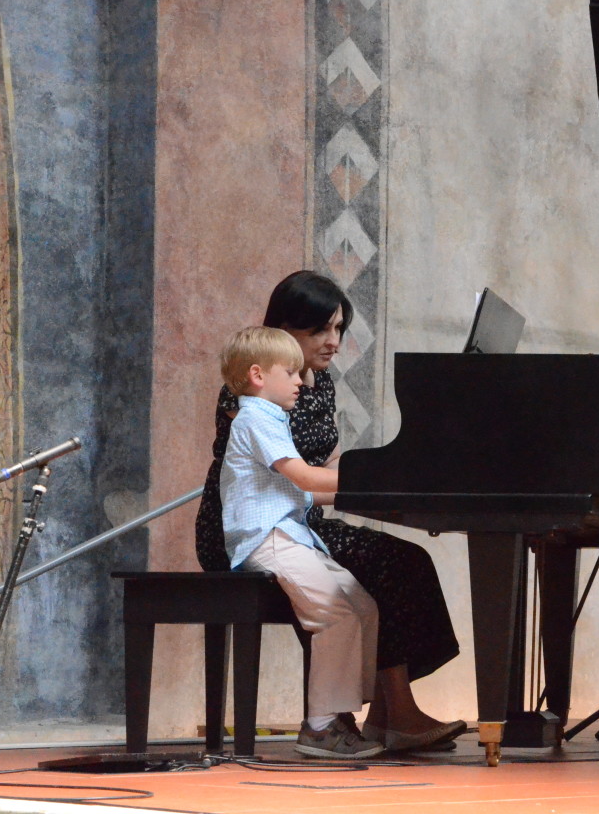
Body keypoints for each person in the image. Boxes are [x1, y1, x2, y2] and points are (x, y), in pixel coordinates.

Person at [196, 271, 463, 752]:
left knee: (404, 563)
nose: (334, 341)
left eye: (339, 328)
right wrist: (379, 482)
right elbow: (298, 476)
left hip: (297, 518)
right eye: (321, 329)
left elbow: (329, 461)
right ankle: (347, 719)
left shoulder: (313, 384)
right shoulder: (253, 395)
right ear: (284, 329)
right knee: (380, 567)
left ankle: (385, 713)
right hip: (247, 527)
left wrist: (377, 474)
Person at [218, 326, 381, 759]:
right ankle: (320, 726)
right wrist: (372, 479)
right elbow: (306, 478)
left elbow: (301, 492)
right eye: (290, 373)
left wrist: (374, 491)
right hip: (265, 539)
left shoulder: (271, 418)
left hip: (289, 534)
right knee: (334, 612)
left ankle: (342, 708)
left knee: (362, 605)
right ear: (257, 375)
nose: (300, 381)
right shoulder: (254, 417)